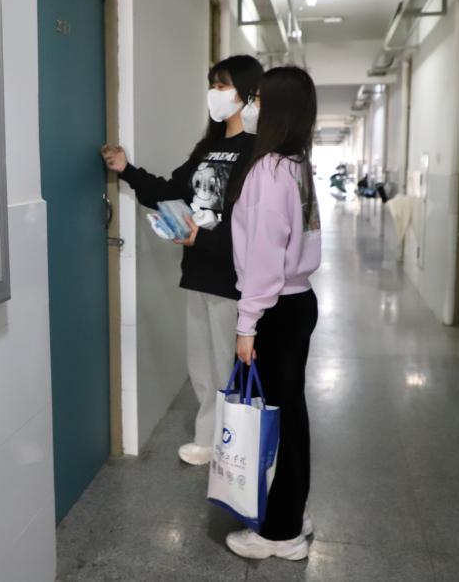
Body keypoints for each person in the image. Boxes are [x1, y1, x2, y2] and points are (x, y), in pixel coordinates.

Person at [100, 55, 264, 466]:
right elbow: (169, 191)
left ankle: (235, 446)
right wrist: (126, 169)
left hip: (233, 277)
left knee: (230, 366)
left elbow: (256, 226)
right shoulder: (208, 148)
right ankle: (208, 438)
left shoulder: (259, 152)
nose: (215, 93)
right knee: (203, 367)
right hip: (198, 272)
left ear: (247, 93)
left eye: (223, 86)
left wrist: (205, 238)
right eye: (213, 85)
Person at [227, 66, 321, 561]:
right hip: (298, 301)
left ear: (277, 108)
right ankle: (292, 510)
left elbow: (264, 256)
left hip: (276, 308)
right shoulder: (296, 164)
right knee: (291, 412)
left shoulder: (269, 170)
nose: (251, 107)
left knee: (279, 417)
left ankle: (281, 534)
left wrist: (248, 323)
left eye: (258, 99)